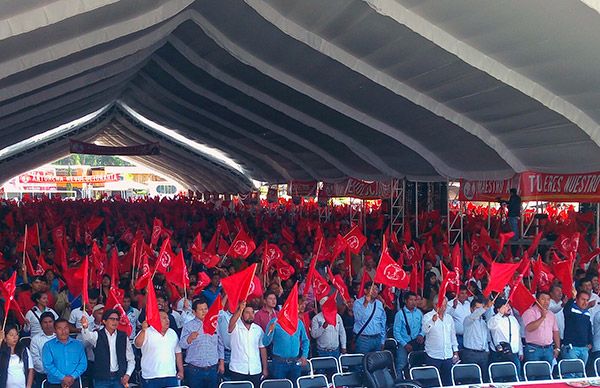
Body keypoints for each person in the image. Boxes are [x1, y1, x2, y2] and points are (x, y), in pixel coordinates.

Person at [80, 309, 135, 388]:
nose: (115, 322)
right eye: (112, 319)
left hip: (119, 378)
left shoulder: (123, 336)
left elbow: (131, 359)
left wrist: (128, 374)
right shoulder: (97, 335)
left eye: (117, 319)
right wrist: (85, 327)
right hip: (101, 379)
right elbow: (86, 337)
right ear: (104, 321)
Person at [263, 294, 310, 383]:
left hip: (295, 363)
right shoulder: (274, 322)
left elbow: (305, 341)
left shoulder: (299, 322)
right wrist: (270, 331)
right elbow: (265, 342)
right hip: (279, 363)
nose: (297, 310)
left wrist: (304, 356)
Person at [179, 297, 224, 388]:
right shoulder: (188, 326)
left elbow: (220, 344)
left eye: (206, 309)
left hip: (212, 368)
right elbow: (182, 345)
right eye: (200, 309)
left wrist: (222, 363)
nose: (204, 311)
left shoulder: (214, 324)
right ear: (194, 312)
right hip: (195, 370)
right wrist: (189, 338)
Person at [135, 311, 184, 388]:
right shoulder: (147, 331)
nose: (167, 320)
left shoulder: (172, 333)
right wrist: (143, 330)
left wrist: (181, 371)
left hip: (170, 375)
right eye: (164, 318)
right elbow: (137, 344)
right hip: (151, 377)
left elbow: (178, 353)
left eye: (168, 318)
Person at [228, 301, 268, 387]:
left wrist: (265, 368)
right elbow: (231, 324)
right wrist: (240, 309)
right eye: (247, 312)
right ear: (242, 315)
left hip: (255, 370)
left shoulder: (258, 329)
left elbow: (262, 349)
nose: (250, 315)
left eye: (252, 312)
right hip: (238, 370)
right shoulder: (236, 327)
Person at [422, 296, 458, 386]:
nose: (444, 308)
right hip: (433, 355)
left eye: (445, 305)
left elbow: (452, 335)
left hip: (447, 355)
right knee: (433, 383)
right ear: (435, 305)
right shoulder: (427, 316)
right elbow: (424, 330)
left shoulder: (449, 318)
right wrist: (432, 321)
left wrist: (455, 351)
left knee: (448, 382)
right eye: (441, 305)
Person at [42, 318, 87, 388]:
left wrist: (72, 376)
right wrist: (63, 378)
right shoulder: (48, 346)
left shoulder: (78, 344)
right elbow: (48, 365)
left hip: (74, 382)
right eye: (60, 328)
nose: (63, 331)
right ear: (54, 330)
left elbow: (83, 364)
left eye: (66, 328)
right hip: (54, 383)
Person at [521, 291, 560, 364]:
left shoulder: (551, 314)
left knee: (547, 373)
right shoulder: (529, 312)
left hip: (548, 349)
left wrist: (557, 348)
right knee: (533, 373)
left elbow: (555, 331)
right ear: (537, 300)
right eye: (543, 299)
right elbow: (529, 328)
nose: (546, 302)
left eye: (548, 299)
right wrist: (542, 317)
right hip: (533, 349)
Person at [392, 291, 424, 377]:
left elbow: (424, 326)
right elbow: (396, 332)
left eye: (415, 300)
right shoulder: (400, 314)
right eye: (411, 300)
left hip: (417, 343)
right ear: (405, 301)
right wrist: (405, 344)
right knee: (401, 365)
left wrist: (421, 334)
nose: (413, 302)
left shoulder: (419, 313)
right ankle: (400, 383)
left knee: (417, 364)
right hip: (404, 344)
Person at [487, 298, 522, 374]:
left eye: (509, 306)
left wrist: (520, 351)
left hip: (514, 353)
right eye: (505, 306)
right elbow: (490, 326)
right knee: (499, 378)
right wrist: (500, 314)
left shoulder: (513, 319)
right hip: (499, 354)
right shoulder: (494, 319)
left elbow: (517, 336)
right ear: (498, 309)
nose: (509, 308)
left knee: (515, 376)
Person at [462, 297, 491, 382]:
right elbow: (474, 316)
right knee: (471, 380)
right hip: (470, 354)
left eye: (481, 308)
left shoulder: (483, 321)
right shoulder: (468, 319)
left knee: (484, 380)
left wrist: (486, 349)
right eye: (478, 308)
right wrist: (485, 307)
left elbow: (485, 337)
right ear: (471, 309)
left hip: (483, 354)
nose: (480, 311)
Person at [352, 282, 386, 354]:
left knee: (376, 363)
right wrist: (365, 303)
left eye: (376, 289)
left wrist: (382, 340)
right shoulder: (358, 303)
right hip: (363, 339)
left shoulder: (379, 304)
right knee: (361, 363)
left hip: (377, 338)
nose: (374, 291)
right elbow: (358, 318)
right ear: (365, 291)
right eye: (372, 289)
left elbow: (383, 322)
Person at [562, 291, 593, 365]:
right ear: (577, 299)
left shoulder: (587, 313)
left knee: (581, 374)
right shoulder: (571, 309)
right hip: (571, 348)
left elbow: (588, 328)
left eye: (587, 300)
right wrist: (571, 299)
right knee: (571, 374)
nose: (585, 302)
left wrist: (590, 342)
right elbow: (566, 308)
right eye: (583, 299)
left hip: (584, 348)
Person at [0, 324, 34, 388]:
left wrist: (28, 386)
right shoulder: (2, 352)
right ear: (5, 338)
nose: (15, 337)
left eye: (16, 334)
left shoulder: (24, 350)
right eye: (11, 335)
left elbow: (31, 369)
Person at [30, 312, 56, 388]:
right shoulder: (35, 340)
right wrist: (52, 371)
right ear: (41, 324)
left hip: (61, 374)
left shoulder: (60, 337)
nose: (48, 325)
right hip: (43, 375)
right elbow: (35, 361)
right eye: (45, 322)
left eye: (50, 322)